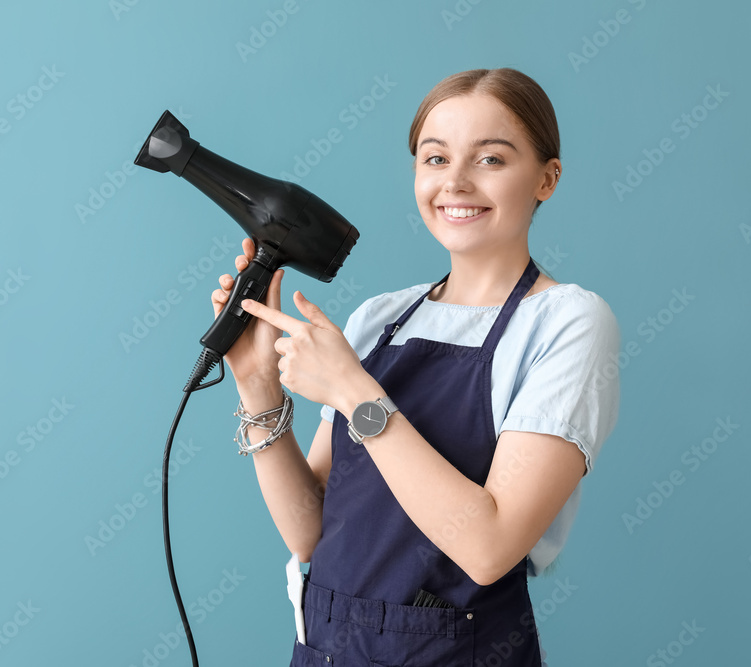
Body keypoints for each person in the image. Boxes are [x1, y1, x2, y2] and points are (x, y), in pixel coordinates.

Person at [211, 67, 621, 666]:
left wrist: (356, 393)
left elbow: (488, 547)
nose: (454, 182)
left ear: (546, 179)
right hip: (324, 649)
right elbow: (311, 531)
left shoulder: (567, 322)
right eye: (434, 159)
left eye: (490, 160)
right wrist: (257, 387)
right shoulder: (381, 317)